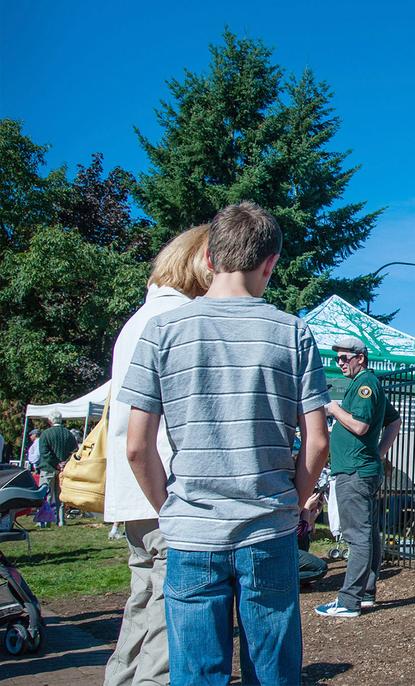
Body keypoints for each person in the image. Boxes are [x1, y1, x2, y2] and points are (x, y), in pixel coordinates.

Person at [121, 201, 330, 685]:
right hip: (267, 529)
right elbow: (317, 442)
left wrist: (169, 508)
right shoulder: (293, 332)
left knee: (196, 674)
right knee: (273, 672)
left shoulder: (163, 331)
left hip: (192, 532)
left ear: (210, 259)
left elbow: (137, 446)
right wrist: (294, 502)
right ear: (270, 264)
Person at [103, 224, 212, 686]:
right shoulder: (180, 322)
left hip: (133, 490)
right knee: (171, 622)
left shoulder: (138, 321)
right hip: (166, 486)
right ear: (206, 262)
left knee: (142, 602)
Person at [315, 336, 403, 618]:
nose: (339, 363)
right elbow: (395, 421)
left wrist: (333, 408)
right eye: (337, 359)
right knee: (368, 534)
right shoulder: (367, 384)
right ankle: (364, 594)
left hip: (355, 471)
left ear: (360, 358)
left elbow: (361, 425)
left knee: (358, 535)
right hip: (361, 469)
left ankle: (349, 600)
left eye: (344, 358)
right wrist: (378, 453)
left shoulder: (365, 385)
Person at [38, 411, 78, 527]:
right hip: (63, 469)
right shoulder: (69, 434)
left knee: (46, 495)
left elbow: (44, 453)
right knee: (60, 496)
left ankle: (45, 521)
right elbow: (75, 451)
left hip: (48, 468)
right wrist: (64, 463)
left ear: (50, 421)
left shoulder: (45, 434)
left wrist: (56, 463)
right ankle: (61, 520)